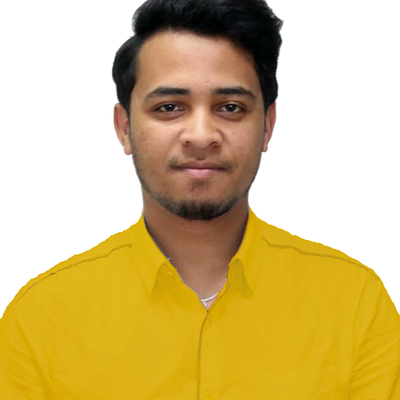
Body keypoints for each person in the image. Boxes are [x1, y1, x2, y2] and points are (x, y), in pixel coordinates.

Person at [1, 0, 399, 398]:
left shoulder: (354, 306)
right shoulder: (43, 319)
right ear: (124, 128)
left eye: (230, 107)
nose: (201, 135)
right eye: (169, 107)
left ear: (267, 125)